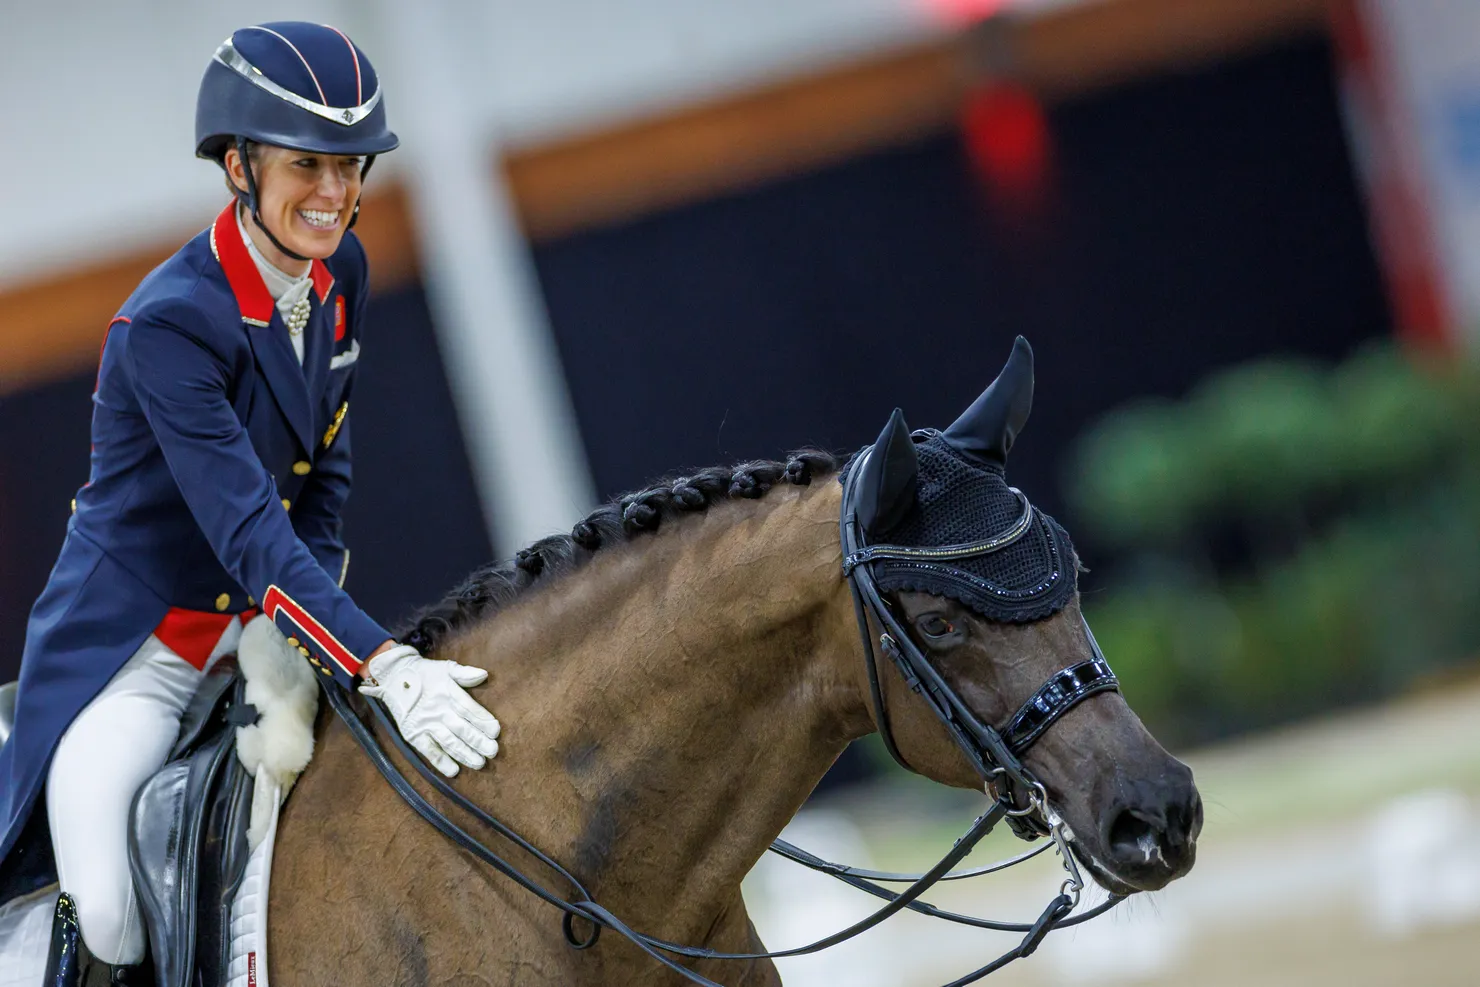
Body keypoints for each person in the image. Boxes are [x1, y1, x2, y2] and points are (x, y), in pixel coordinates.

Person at [0, 23, 501, 983]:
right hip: (138, 653)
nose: (335, 192)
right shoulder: (167, 325)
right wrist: (384, 664)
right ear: (238, 165)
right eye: (307, 164)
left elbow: (322, 485)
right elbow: (248, 529)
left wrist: (295, 639)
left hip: (260, 624)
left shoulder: (339, 274)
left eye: (351, 166)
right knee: (101, 902)